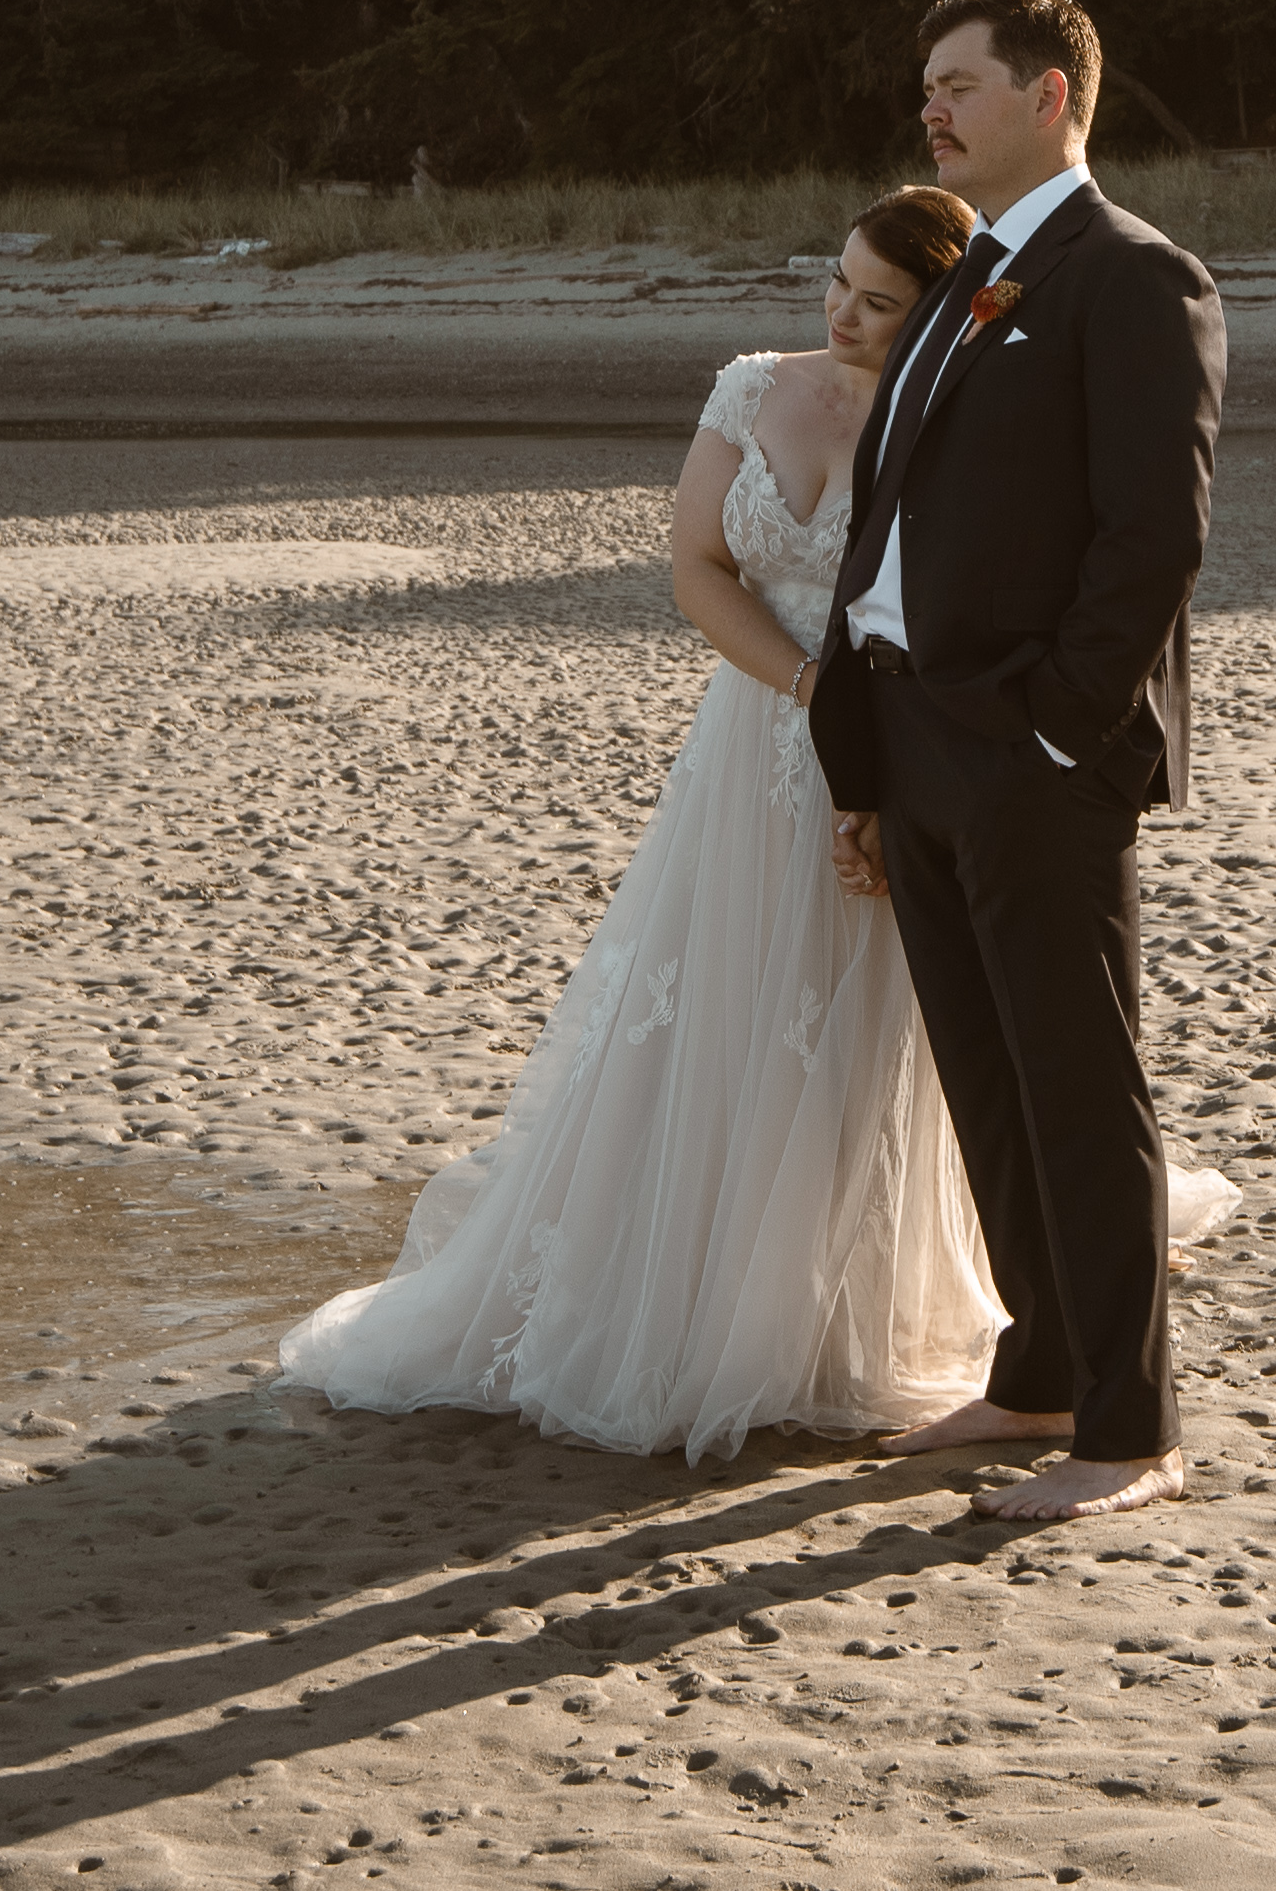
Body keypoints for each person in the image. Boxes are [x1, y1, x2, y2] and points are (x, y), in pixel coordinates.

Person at [273, 190, 1007, 1459]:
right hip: (753, 740)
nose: (838, 312)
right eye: (833, 281)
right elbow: (693, 568)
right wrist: (806, 692)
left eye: (876, 302)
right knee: (714, 1003)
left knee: (859, 1016)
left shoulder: (953, 412)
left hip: (895, 741)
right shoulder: (749, 388)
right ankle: (674, 1290)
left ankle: (826, 1311)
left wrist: (870, 761)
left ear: (933, 310)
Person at [812, 0, 1227, 1528]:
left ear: (1051, 96)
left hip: (1032, 749)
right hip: (912, 732)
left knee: (1075, 1084)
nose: (932, 106)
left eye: (962, 83)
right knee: (985, 1080)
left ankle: (1126, 1431)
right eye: (926, 81)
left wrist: (1059, 723)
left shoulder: (1133, 277)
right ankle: (1038, 1372)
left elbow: (1153, 535)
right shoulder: (971, 272)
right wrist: (868, 740)